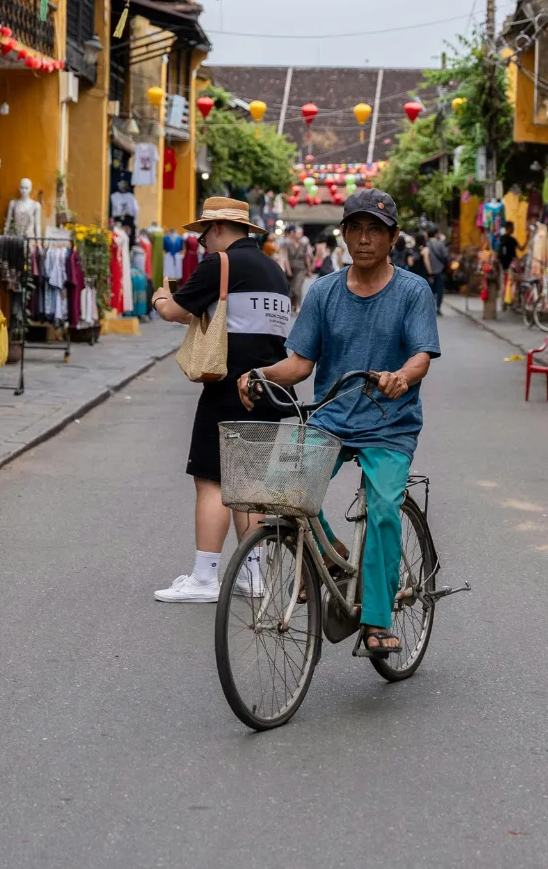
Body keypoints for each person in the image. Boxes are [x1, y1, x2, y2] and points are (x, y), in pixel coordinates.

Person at [237, 189, 441, 656]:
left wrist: (401, 376)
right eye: (356, 229)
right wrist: (258, 374)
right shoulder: (324, 291)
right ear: (344, 234)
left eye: (375, 230)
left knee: (384, 506)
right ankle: (329, 553)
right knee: (280, 487)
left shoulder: (412, 290)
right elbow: (299, 364)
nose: (364, 239)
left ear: (392, 237)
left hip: (390, 423)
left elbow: (422, 357)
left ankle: (376, 619)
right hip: (331, 416)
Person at [148, 197, 293, 603]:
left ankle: (204, 577)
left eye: (202, 236)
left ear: (216, 229)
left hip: (229, 388)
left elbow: (176, 311)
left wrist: (161, 297)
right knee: (248, 482)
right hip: (269, 389)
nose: (202, 243)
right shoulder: (274, 270)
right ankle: (252, 575)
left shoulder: (221, 264)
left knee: (212, 479)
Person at [282, 226, 312, 311]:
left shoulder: (304, 245)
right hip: (291, 269)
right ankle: (292, 304)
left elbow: (306, 257)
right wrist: (288, 269)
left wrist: (309, 269)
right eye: (298, 233)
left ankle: (298, 306)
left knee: (297, 288)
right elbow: (286, 258)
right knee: (291, 289)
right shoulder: (288, 244)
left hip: (301, 269)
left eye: (301, 233)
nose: (300, 235)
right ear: (293, 233)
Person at [424, 228, 450, 315]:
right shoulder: (440, 244)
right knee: (439, 290)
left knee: (429, 290)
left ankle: (429, 307)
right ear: (436, 234)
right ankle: (438, 307)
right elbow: (446, 256)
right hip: (440, 270)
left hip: (429, 272)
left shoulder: (426, 244)